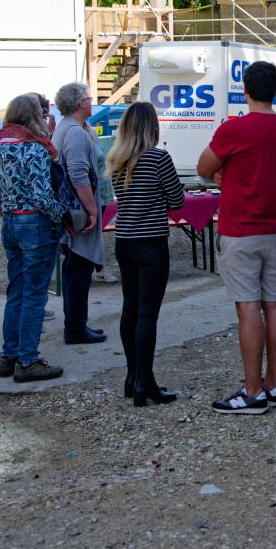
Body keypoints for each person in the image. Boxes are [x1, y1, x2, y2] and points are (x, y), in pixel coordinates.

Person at [198, 61, 276, 415]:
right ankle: (273, 384)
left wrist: (226, 177)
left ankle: (252, 392)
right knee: (274, 303)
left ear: (245, 90)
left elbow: (203, 167)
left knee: (248, 307)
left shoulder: (234, 129)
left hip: (241, 227)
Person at [106, 102, 185, 407]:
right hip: (151, 241)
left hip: (124, 241)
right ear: (152, 127)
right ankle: (145, 380)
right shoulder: (158, 158)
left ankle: (132, 375)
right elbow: (177, 200)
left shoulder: (117, 160)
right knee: (147, 315)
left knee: (131, 309)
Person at [0, 94, 67, 383]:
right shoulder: (34, 148)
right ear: (35, 114)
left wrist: (7, 202)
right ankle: (28, 361)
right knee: (35, 294)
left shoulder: (1, 145)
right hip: (35, 222)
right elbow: (42, 194)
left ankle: (9, 356)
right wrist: (62, 214)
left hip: (10, 221)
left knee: (17, 291)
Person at [53, 82, 107, 346]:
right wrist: (92, 209)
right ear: (78, 104)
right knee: (78, 268)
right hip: (78, 212)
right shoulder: (74, 132)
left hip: (73, 210)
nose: (91, 100)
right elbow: (77, 172)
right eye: (88, 97)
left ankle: (77, 324)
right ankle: (75, 327)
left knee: (78, 268)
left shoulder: (69, 129)